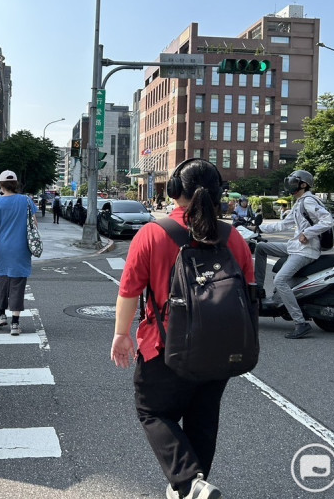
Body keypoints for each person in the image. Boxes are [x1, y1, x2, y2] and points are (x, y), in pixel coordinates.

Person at [111, 158, 255, 499]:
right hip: (222, 347)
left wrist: (121, 334)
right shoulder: (233, 237)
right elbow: (249, 293)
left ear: (175, 191)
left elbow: (129, 290)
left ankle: (189, 482)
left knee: (153, 410)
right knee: (202, 419)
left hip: (165, 346)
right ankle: (192, 486)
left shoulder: (153, 233)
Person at [254, 169, 333, 339]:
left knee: (280, 280)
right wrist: (256, 228)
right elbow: (283, 225)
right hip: (295, 246)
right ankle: (258, 290)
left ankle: (300, 323)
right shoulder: (299, 203)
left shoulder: (309, 201)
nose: (290, 186)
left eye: (293, 182)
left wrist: (309, 233)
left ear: (303, 185)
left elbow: (327, 220)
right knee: (261, 247)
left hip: (306, 251)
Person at [0, 170, 38, 336]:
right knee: (17, 284)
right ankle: (15, 324)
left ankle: (1, 315)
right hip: (21, 248)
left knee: (2, 281)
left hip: (2, 249)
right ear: (16, 184)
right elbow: (34, 224)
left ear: (0, 185)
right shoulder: (26, 200)